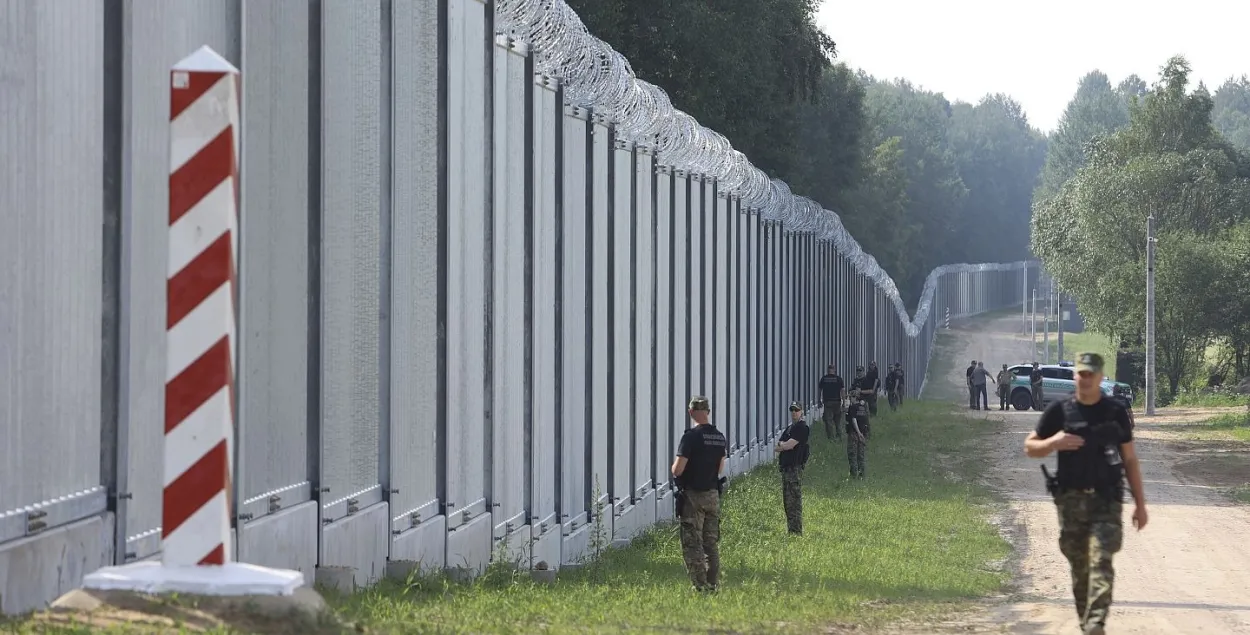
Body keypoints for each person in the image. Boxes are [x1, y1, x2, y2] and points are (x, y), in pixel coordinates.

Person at [1023, 352, 1148, 635]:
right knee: (1080, 570)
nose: (1087, 378)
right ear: (1075, 376)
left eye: (1092, 374)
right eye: (1082, 373)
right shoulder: (1060, 411)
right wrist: (1053, 442)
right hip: (1071, 501)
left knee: (1101, 559)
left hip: (1107, 500)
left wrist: (1140, 505)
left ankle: (1095, 625)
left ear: (1101, 377)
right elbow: (1030, 447)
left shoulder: (1115, 412)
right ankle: (1088, 624)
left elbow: (1129, 460)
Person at [671, 396, 728, 592]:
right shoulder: (719, 437)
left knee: (692, 542)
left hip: (693, 497)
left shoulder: (690, 437)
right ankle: (713, 584)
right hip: (713, 495)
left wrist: (674, 468)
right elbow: (720, 468)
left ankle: (700, 586)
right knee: (710, 543)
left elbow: (678, 470)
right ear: (708, 412)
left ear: (690, 412)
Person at [774, 402, 810, 535]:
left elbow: (789, 445)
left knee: (794, 500)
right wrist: (783, 445)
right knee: (787, 501)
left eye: (797, 410)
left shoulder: (802, 428)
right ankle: (791, 530)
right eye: (792, 410)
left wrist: (783, 445)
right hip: (786, 469)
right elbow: (777, 446)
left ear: (801, 411)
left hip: (794, 469)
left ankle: (796, 530)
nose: (794, 412)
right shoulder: (790, 428)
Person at [818, 364, 846, 441]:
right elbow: (842, 391)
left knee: (828, 421)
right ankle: (839, 436)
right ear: (834, 370)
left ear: (828, 370)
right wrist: (844, 402)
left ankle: (831, 438)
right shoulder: (839, 379)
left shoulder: (824, 379)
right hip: (837, 402)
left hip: (828, 402)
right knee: (837, 421)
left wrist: (818, 400)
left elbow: (820, 390)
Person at [845, 392, 869, 478]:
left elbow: (853, 419)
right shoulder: (863, 408)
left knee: (852, 454)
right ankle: (862, 474)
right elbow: (866, 420)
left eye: (850, 397)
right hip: (863, 433)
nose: (849, 399)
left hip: (854, 434)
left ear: (854, 397)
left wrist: (858, 433)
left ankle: (854, 475)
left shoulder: (853, 407)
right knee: (861, 455)